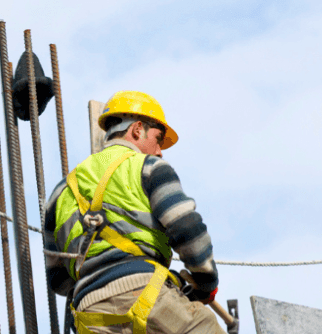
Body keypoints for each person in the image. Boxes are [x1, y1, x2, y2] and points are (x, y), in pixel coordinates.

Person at [43, 91, 225, 334]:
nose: (160, 151)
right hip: (145, 295)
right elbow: (186, 228)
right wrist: (205, 282)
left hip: (89, 316)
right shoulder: (149, 167)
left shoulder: (59, 193)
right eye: (158, 139)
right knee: (206, 327)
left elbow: (58, 279)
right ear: (138, 130)